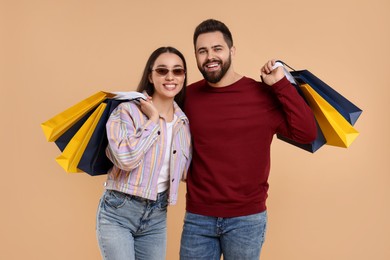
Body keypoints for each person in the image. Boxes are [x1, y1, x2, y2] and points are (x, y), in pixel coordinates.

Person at [179, 19, 317, 260]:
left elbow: (307, 133)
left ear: (232, 51)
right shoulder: (188, 96)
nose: (210, 56)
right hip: (198, 218)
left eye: (217, 49)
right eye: (203, 51)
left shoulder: (262, 95)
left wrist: (280, 84)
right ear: (196, 56)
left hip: (247, 220)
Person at [96, 46, 192, 260]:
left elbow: (185, 173)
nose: (170, 77)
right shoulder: (127, 112)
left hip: (157, 216)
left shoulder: (183, 123)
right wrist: (152, 120)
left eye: (178, 71)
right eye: (162, 71)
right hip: (119, 211)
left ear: (184, 76)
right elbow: (125, 159)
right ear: (150, 75)